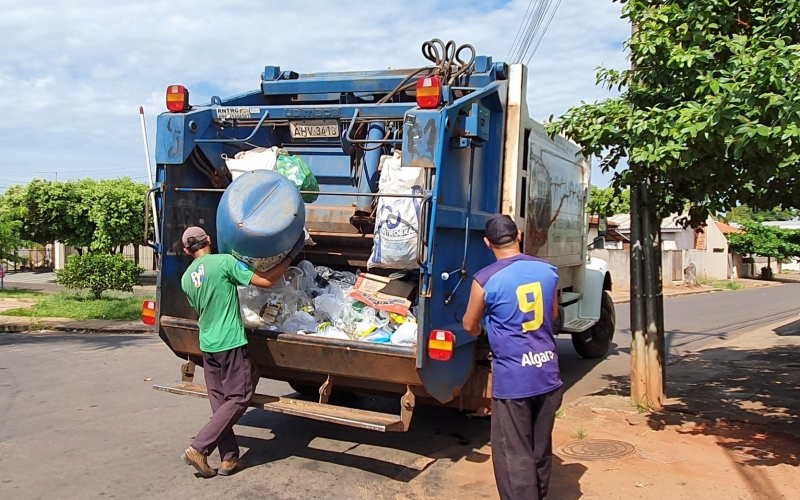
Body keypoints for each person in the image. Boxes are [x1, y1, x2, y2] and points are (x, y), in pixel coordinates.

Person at [179, 226, 303, 478]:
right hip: (230, 342)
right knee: (239, 397)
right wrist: (291, 255)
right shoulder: (223, 262)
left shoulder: (185, 278)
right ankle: (199, 448)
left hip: (208, 345)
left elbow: (201, 307)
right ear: (210, 240)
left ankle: (229, 458)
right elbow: (267, 281)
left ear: (185, 250)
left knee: (221, 403)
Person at [462, 214, 562, 500]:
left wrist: (486, 327)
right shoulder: (548, 270)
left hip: (514, 382)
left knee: (513, 457)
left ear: (486, 242)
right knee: (539, 450)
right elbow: (552, 314)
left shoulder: (485, 280)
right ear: (519, 235)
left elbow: (470, 325)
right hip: (548, 375)